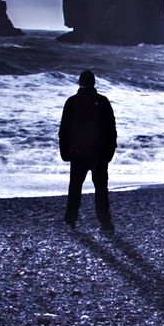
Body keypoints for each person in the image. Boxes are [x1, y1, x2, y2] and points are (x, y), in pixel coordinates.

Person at [58, 69, 116, 230]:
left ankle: (71, 218)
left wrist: (65, 152)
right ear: (93, 83)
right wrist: (110, 152)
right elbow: (111, 129)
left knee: (75, 186)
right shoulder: (103, 101)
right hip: (99, 153)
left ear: (79, 83)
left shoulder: (72, 102)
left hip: (78, 152)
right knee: (101, 188)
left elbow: (64, 130)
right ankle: (105, 220)